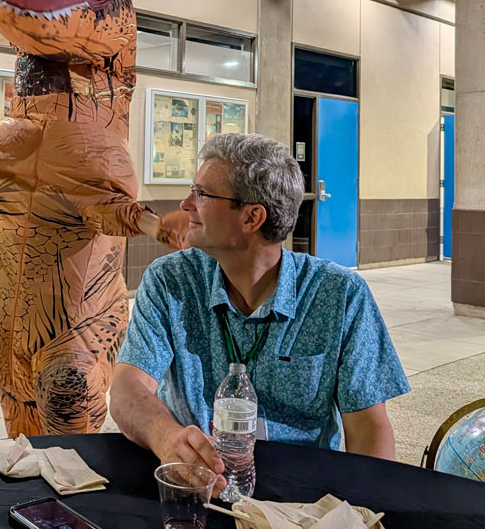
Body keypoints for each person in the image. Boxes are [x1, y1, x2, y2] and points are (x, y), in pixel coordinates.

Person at [110, 133, 409, 493]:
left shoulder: (338, 295)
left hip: (302, 499)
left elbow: (368, 428)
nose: (186, 204)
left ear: (252, 217)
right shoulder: (171, 280)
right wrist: (167, 438)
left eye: (202, 194)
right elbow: (128, 387)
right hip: (198, 488)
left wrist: (365, 518)